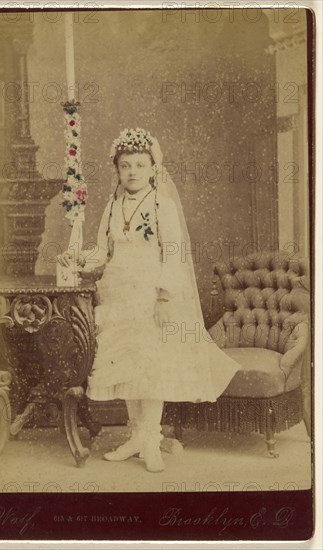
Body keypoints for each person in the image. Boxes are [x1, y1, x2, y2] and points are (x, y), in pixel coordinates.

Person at [58, 128, 241, 473]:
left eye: (139, 165)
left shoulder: (163, 206)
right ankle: (135, 436)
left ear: (152, 168)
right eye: (125, 165)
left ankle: (152, 439)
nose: (132, 172)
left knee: (151, 365)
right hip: (117, 291)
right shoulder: (112, 206)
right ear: (117, 169)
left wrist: (163, 296)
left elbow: (173, 253)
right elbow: (102, 252)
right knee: (126, 364)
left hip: (151, 292)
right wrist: (80, 259)